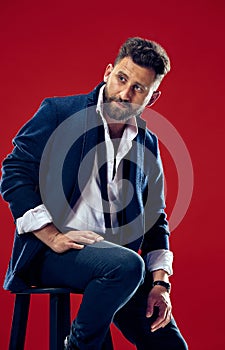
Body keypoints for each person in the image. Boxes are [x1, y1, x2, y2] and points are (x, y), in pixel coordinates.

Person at [0, 37, 188, 350]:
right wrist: (51, 235)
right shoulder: (60, 112)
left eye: (139, 88)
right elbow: (14, 172)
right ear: (108, 72)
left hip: (115, 262)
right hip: (52, 252)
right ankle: (77, 346)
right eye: (122, 79)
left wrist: (160, 282)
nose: (125, 94)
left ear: (152, 98)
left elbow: (156, 218)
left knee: (170, 345)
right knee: (125, 267)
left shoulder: (148, 143)